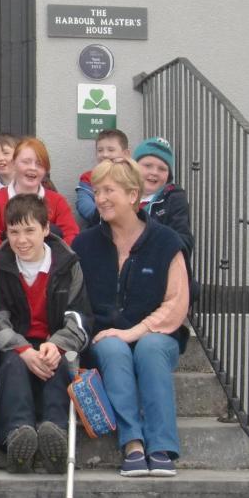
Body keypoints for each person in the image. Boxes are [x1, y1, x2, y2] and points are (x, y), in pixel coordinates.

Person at [72, 158, 190, 478]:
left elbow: (176, 303)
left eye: (109, 190)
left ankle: (161, 447)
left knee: (150, 349)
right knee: (112, 348)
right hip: (104, 337)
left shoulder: (166, 241)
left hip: (158, 333)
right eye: (97, 191)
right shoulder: (84, 244)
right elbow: (74, 300)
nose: (100, 198)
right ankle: (133, 444)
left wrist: (133, 331)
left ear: (132, 195)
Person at [0, 194, 92, 473]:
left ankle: (54, 436)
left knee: (57, 363)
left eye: (30, 230)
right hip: (16, 342)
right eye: (14, 231)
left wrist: (56, 345)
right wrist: (23, 349)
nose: (21, 240)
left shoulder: (68, 264)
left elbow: (79, 317)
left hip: (54, 340)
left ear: (46, 229)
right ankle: (17, 436)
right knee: (12, 364)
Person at [0, 137, 79, 249]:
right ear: (14, 163)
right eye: (26, 162)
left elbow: (71, 236)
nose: (33, 168)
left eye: (39, 164)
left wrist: (52, 260)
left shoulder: (57, 201)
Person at [132, 136, 195, 260]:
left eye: (162, 168)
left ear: (168, 176)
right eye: (148, 165)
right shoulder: (119, 194)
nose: (154, 172)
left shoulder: (174, 198)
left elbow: (184, 244)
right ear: (134, 168)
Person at [75, 129, 130, 228]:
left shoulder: (132, 177)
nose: (104, 154)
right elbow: (85, 207)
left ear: (125, 154)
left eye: (111, 150)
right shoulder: (88, 178)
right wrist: (107, 212)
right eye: (100, 150)